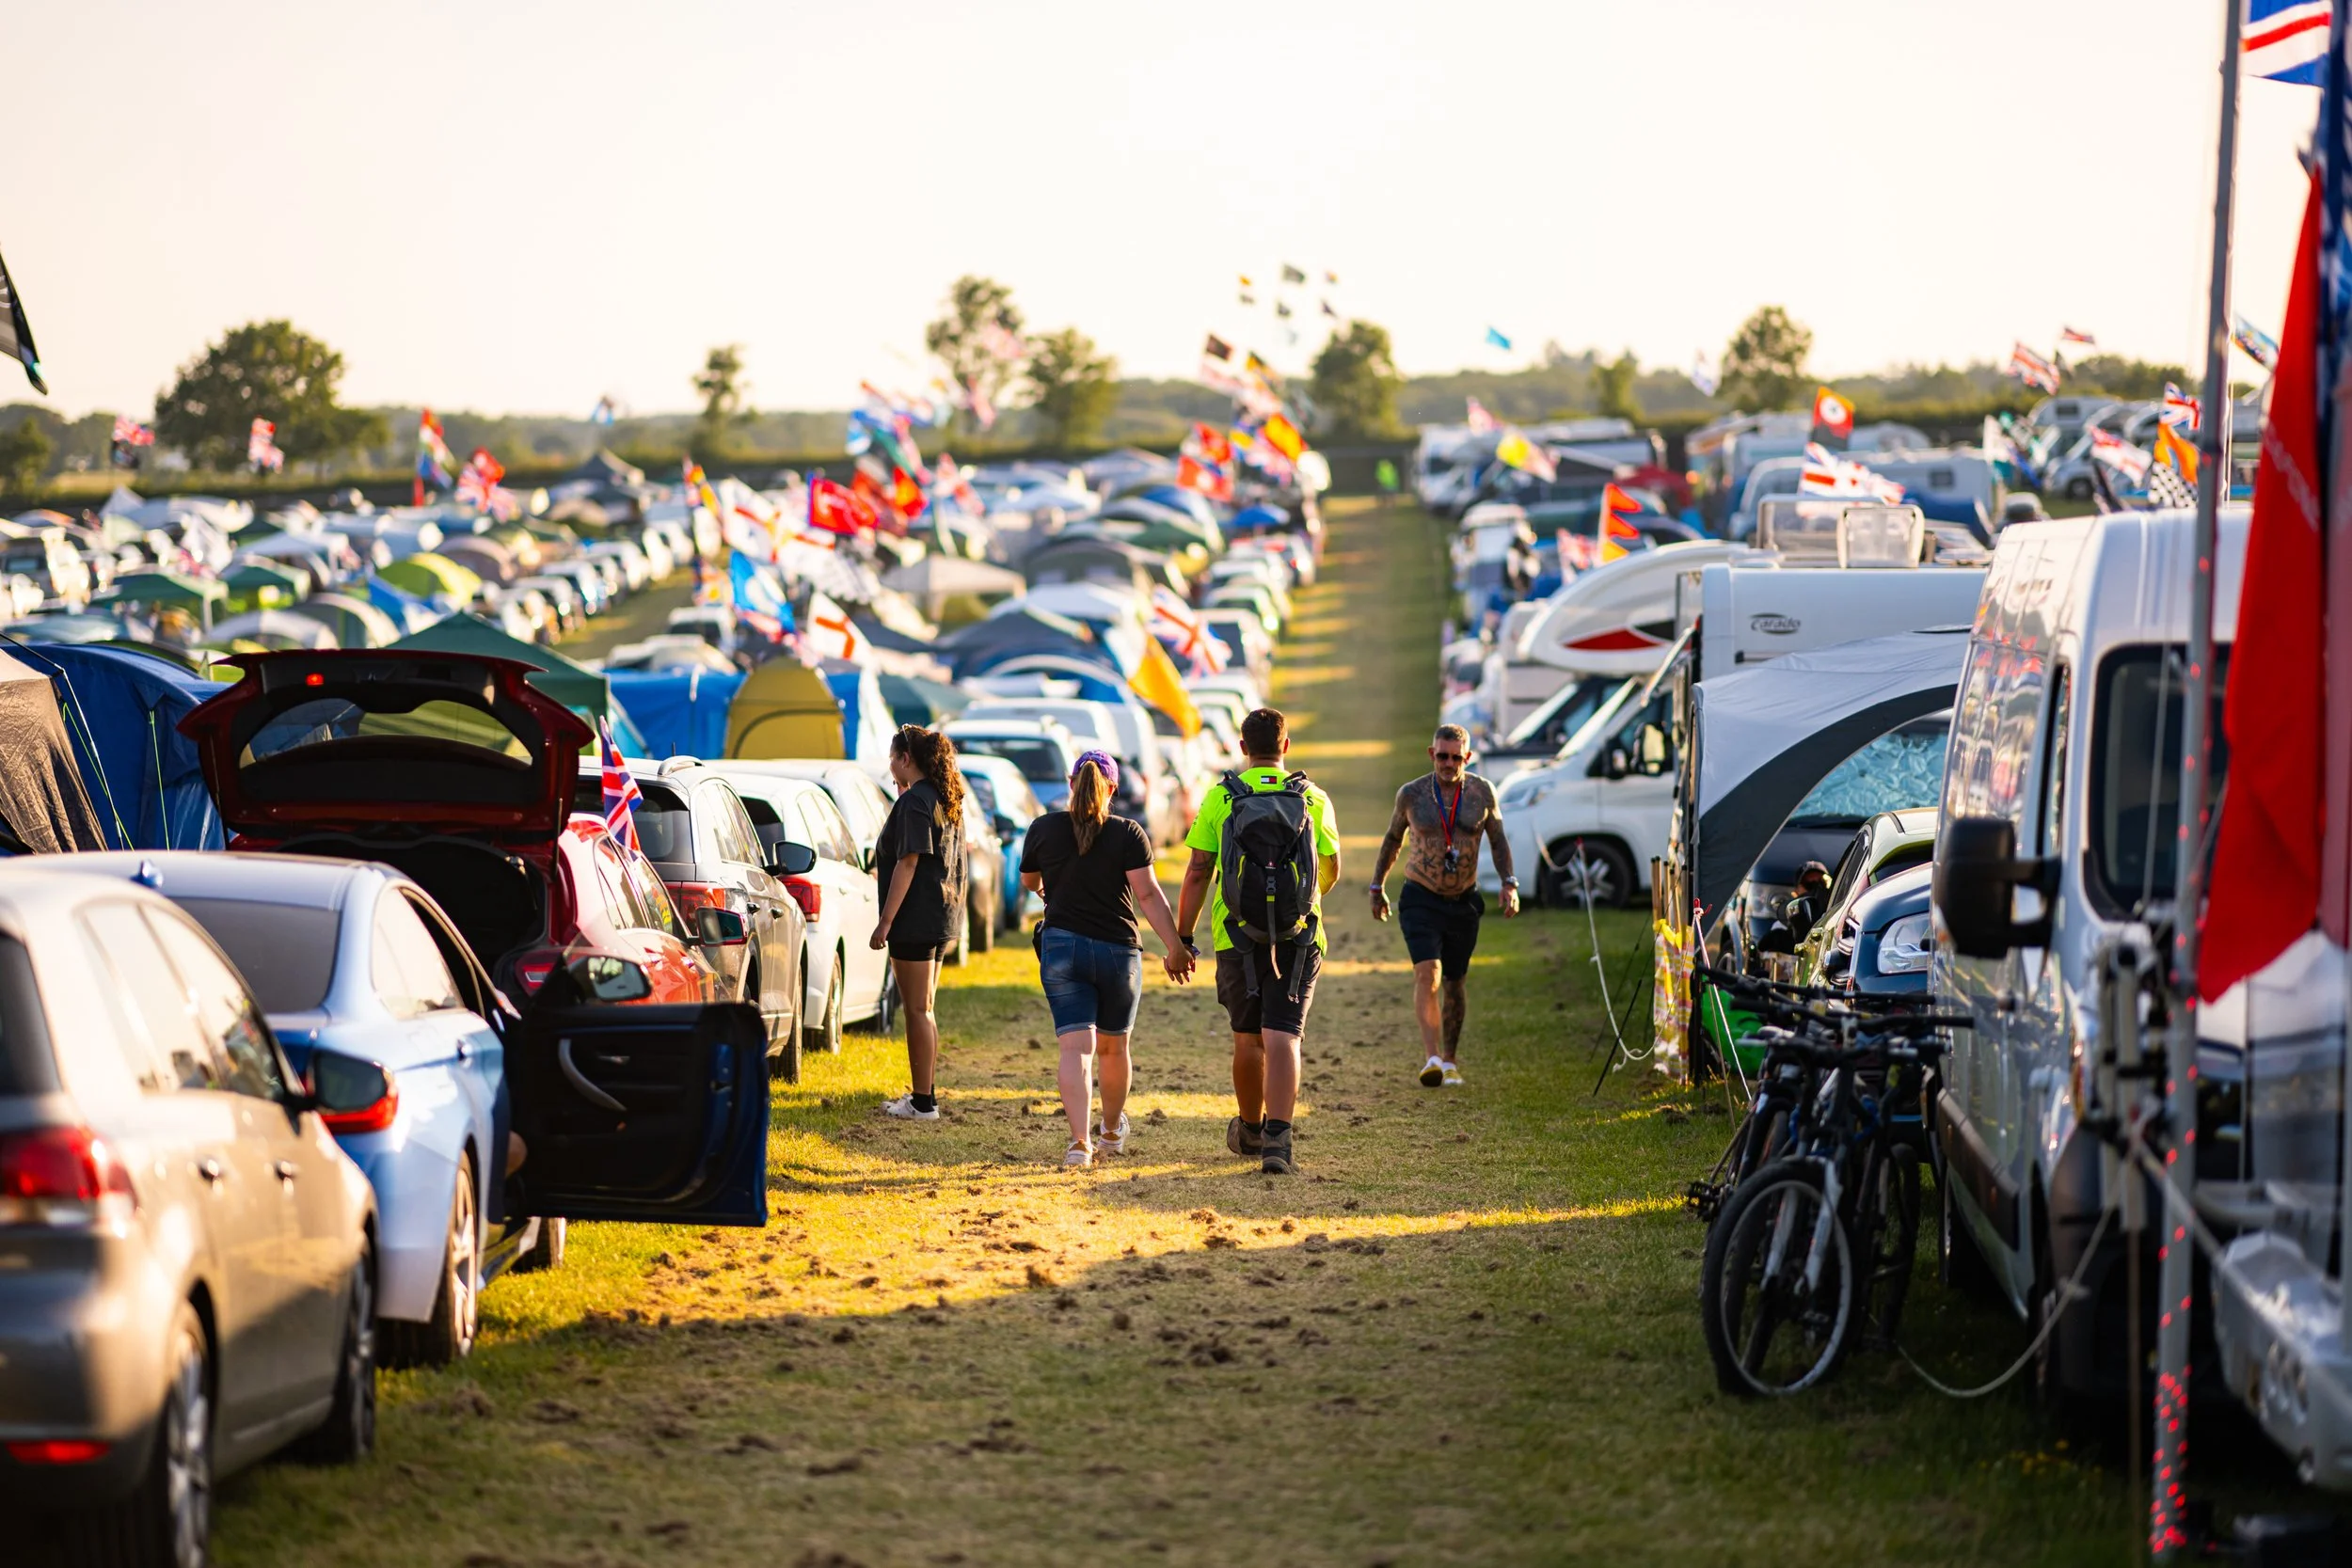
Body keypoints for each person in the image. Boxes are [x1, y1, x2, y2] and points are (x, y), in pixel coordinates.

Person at [1176, 707, 1341, 1176]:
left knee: (1248, 1038)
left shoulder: (1221, 797)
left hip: (1236, 933)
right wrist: (1300, 903)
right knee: (1284, 1035)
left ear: (1243, 748)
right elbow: (1330, 867)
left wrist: (1185, 935)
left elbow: (1198, 872)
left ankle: (1249, 1128)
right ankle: (1278, 1142)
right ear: (1285, 747)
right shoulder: (1313, 799)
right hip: (1300, 933)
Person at [1020, 751, 1196, 1168]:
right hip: (1119, 953)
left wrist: (1048, 892)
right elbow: (1148, 896)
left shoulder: (1043, 828)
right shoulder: (1129, 834)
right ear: (1113, 788)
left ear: (1071, 783)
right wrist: (1175, 947)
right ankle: (1112, 1131)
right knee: (1114, 1049)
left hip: (1062, 948)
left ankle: (1079, 1144)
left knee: (1076, 1051)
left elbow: (1029, 879)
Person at [1368, 723, 1518, 1088]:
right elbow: (1392, 839)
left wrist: (1509, 883)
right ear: (1431, 753)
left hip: (1464, 900)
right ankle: (1431, 1057)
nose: (1448, 764)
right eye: (1442, 756)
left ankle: (1450, 1060)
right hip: (1421, 895)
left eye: (1455, 757)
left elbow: (1498, 840)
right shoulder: (1412, 795)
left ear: (1467, 757)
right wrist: (1377, 886)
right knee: (1428, 973)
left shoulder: (1482, 793)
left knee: (1455, 981)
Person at [870, 725, 968, 1120]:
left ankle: (923, 1101)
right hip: (942, 917)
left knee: (916, 1010)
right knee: (925, 1008)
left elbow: (908, 863)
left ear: (905, 759)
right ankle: (925, 1095)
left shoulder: (914, 803)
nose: (890, 768)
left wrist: (885, 922)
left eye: (892, 760)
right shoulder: (944, 798)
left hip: (915, 918)